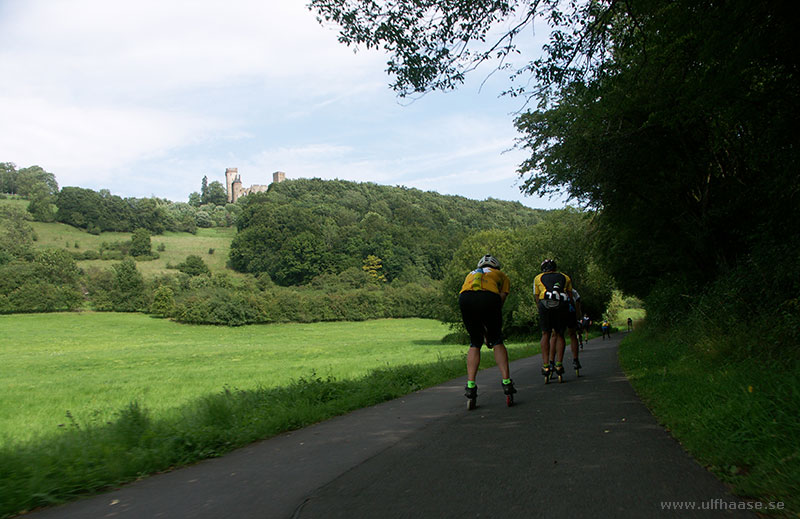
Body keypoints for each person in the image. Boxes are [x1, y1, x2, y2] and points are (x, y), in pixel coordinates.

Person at [458, 254, 516, 406]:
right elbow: (500, 300)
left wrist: (483, 334)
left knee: (475, 342)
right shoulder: (502, 275)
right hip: (490, 298)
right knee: (497, 340)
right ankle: (506, 382)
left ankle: (470, 386)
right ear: (496, 267)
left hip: (465, 298)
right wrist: (491, 332)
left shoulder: (470, 274)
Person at [533, 259, 572, 380]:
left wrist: (540, 308)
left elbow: (536, 297)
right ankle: (559, 365)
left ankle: (546, 366)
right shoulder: (565, 277)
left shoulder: (538, 278)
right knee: (560, 334)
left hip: (545, 304)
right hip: (561, 304)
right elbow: (570, 295)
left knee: (546, 333)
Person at [549, 288, 582, 373]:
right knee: (572, 334)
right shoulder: (567, 281)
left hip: (556, 309)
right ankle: (575, 360)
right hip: (569, 309)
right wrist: (578, 315)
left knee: (555, 335)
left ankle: (551, 362)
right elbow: (577, 298)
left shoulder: (549, 285)